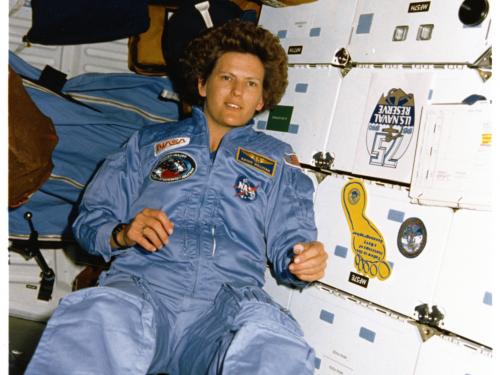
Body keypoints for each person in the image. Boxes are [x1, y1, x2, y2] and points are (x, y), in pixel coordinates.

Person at [26, 19, 328, 375]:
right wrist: (123, 233)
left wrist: (303, 261)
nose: (236, 93)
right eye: (226, 78)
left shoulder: (279, 159)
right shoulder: (146, 143)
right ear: (202, 83)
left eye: (250, 84)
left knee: (274, 343)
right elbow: (90, 221)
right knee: (96, 317)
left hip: (225, 309)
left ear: (262, 98)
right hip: (144, 291)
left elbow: (291, 241)